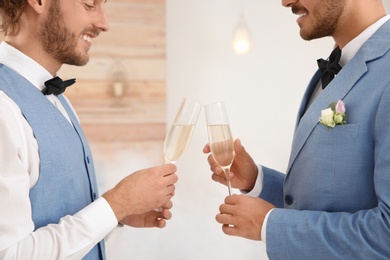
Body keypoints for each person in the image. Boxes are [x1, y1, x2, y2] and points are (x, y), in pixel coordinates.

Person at [204, 0, 390, 259]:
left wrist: (269, 226)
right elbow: (324, 201)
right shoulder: (333, 67)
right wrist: (256, 180)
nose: (285, 1)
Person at [0, 0, 178, 259]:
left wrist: (117, 215)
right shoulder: (3, 108)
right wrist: (116, 204)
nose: (104, 23)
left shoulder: (61, 101)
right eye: (89, 4)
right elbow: (11, 254)